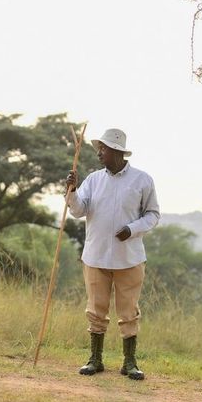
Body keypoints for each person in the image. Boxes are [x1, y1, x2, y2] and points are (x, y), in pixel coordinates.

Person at [65, 128, 159, 380]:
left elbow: (153, 214)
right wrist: (72, 192)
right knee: (96, 309)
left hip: (129, 258)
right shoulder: (94, 179)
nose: (99, 153)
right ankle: (95, 359)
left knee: (129, 311)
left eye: (103, 149)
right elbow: (77, 211)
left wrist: (132, 229)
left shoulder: (142, 180)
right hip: (95, 256)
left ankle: (130, 363)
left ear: (116, 151)